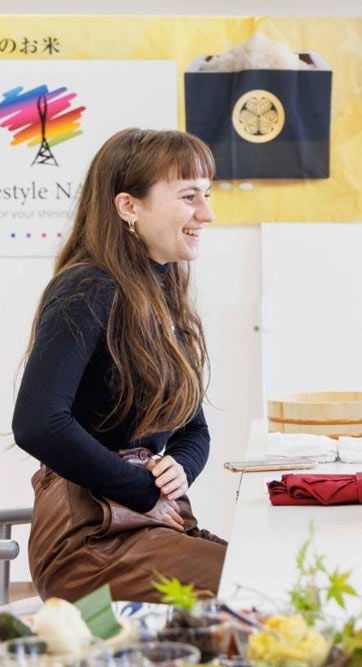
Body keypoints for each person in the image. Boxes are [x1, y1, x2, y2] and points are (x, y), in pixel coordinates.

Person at [13, 128, 227, 602]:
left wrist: (179, 470)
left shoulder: (160, 292)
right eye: (189, 196)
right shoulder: (88, 288)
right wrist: (144, 491)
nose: (206, 214)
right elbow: (36, 424)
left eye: (206, 195)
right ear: (128, 206)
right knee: (251, 585)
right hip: (87, 541)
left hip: (141, 524)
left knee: (259, 577)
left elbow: (195, 432)